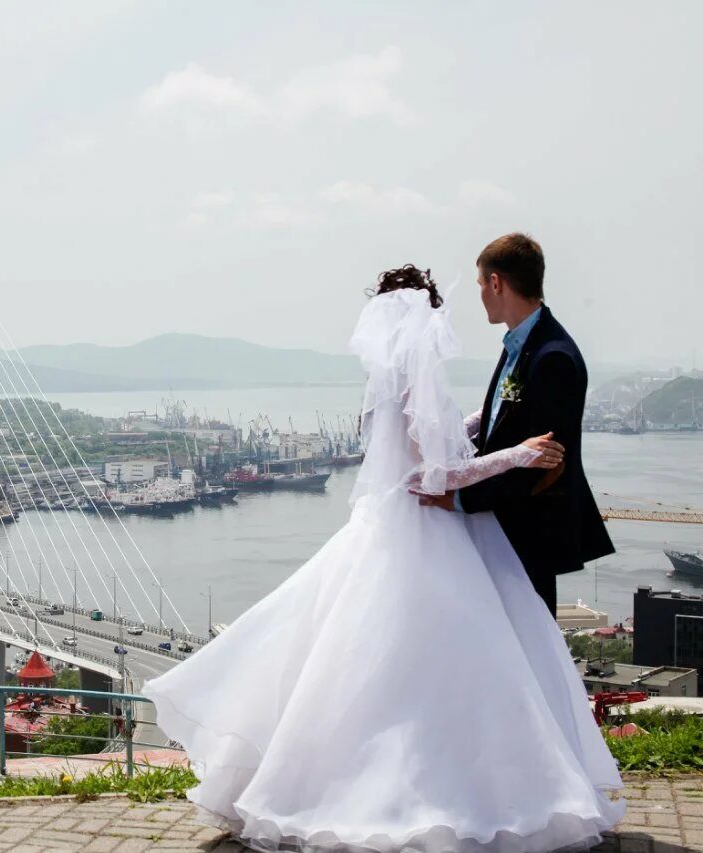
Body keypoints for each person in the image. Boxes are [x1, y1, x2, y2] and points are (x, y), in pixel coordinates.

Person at [144, 266, 624, 852]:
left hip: (387, 526)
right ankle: (451, 791)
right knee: (452, 661)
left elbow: (427, 437)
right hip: (427, 532)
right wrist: (517, 454)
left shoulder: (391, 379)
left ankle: (325, 782)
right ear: (423, 323)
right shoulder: (416, 377)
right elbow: (435, 474)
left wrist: (480, 427)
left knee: (363, 657)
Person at [419, 233, 615, 615]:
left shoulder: (552, 357)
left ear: (496, 283)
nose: (480, 296)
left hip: (528, 536)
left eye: (480, 284)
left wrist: (457, 499)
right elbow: (498, 429)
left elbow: (539, 465)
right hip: (499, 529)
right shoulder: (521, 346)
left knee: (528, 648)